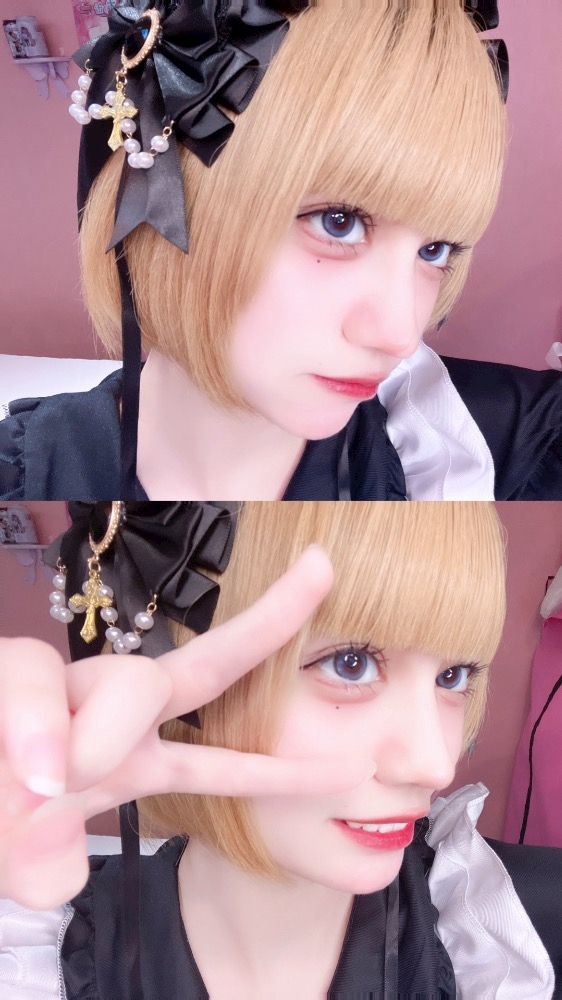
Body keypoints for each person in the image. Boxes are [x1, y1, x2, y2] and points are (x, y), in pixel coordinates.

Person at [0, 1, 560, 502]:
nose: (401, 336)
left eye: (434, 250)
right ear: (173, 195)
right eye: (338, 223)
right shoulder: (29, 473)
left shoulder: (460, 444)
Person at [1, 501, 561, 998]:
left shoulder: (512, 933)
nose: (434, 765)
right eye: (350, 664)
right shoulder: (28, 961)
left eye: (453, 676)